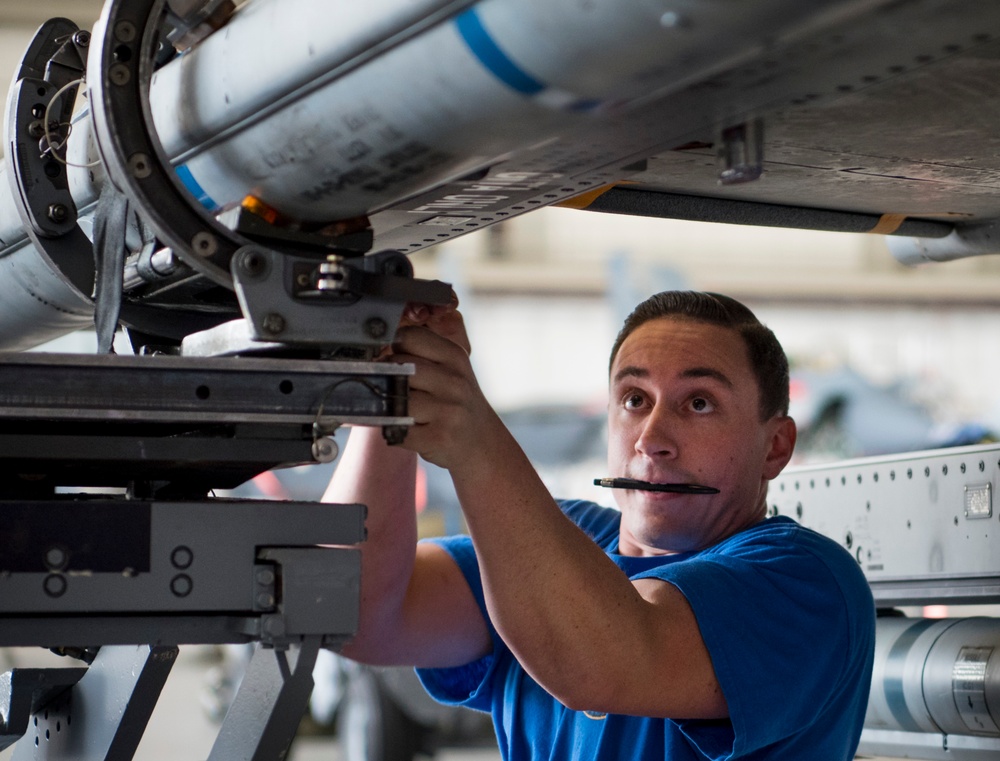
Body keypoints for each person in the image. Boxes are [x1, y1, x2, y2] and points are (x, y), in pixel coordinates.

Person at [324, 290, 876, 760]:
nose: (651, 438)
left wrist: (475, 442)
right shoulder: (555, 539)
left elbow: (601, 662)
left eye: (700, 403)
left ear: (775, 446)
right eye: (634, 399)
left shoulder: (807, 582)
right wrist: (391, 395)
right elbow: (346, 610)